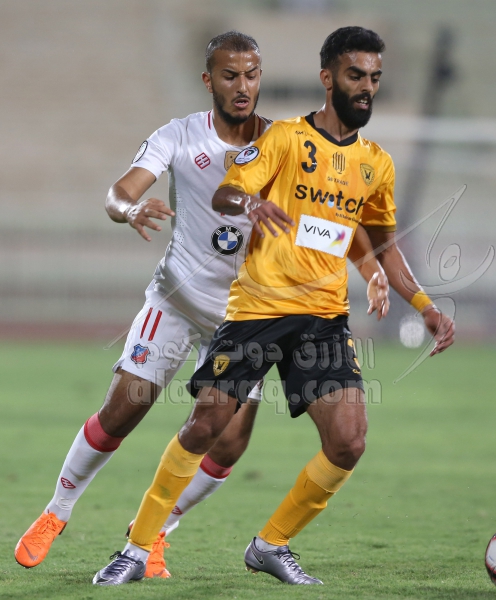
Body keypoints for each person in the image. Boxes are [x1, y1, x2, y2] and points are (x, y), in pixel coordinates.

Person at [15, 30, 389, 579]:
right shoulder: (179, 135)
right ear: (208, 79)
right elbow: (118, 192)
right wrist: (130, 209)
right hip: (177, 301)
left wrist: (371, 266)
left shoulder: (286, 141)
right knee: (124, 407)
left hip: (246, 316)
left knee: (228, 443)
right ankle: (57, 511)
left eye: (252, 75)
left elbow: (328, 221)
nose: (243, 87)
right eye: (230, 75)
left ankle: (156, 534)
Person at [92, 26, 455, 587]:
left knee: (349, 440)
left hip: (324, 318)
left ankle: (270, 544)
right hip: (257, 311)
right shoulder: (284, 138)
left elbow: (382, 243)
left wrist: (423, 304)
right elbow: (225, 193)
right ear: (328, 78)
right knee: (205, 425)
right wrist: (252, 203)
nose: (366, 87)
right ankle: (136, 549)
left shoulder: (376, 163)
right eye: (356, 75)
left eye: (375, 78)